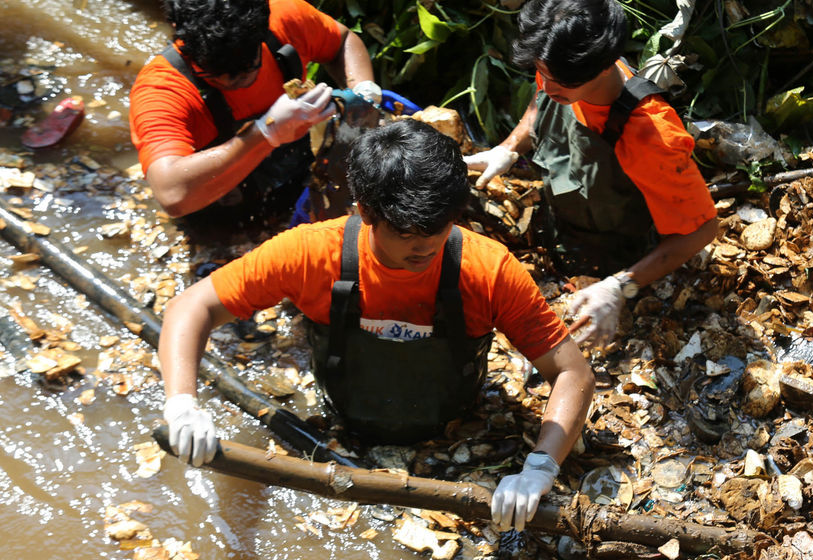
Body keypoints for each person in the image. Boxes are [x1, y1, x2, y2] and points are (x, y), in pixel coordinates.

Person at [158, 120, 596, 532]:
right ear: (365, 211)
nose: (425, 245)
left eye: (438, 227)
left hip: (451, 424)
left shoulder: (489, 269)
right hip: (341, 421)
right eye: (406, 232)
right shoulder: (310, 254)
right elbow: (190, 308)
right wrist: (182, 404)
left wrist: (540, 467)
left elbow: (572, 372)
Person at [464, 0, 719, 346]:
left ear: (601, 69)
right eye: (543, 74)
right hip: (564, 224)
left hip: (624, 260)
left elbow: (702, 230)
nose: (547, 86)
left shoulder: (652, 135)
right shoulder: (562, 66)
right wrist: (507, 150)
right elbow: (540, 100)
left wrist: (620, 286)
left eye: (557, 83)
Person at [129, 0, 380, 233]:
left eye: (248, 65)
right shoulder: (161, 89)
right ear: (180, 37)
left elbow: (343, 41)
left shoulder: (285, 17)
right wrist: (265, 132)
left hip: (298, 178)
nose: (236, 80)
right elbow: (171, 194)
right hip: (220, 214)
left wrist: (363, 92)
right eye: (216, 72)